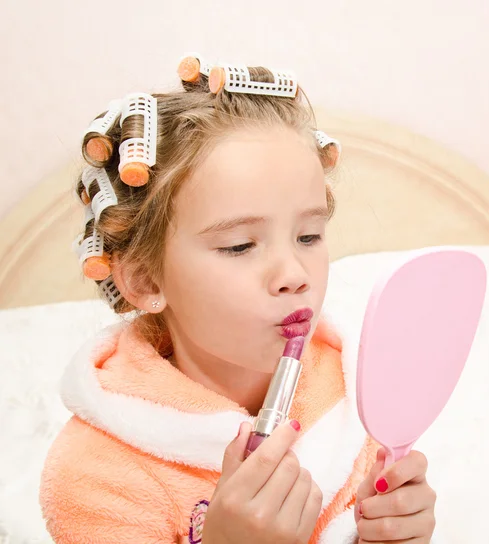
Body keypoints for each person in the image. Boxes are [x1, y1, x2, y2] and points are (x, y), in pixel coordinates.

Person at [40, 54, 438, 543]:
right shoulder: (94, 477)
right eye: (240, 246)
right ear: (146, 280)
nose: (294, 275)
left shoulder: (354, 394)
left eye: (309, 236)